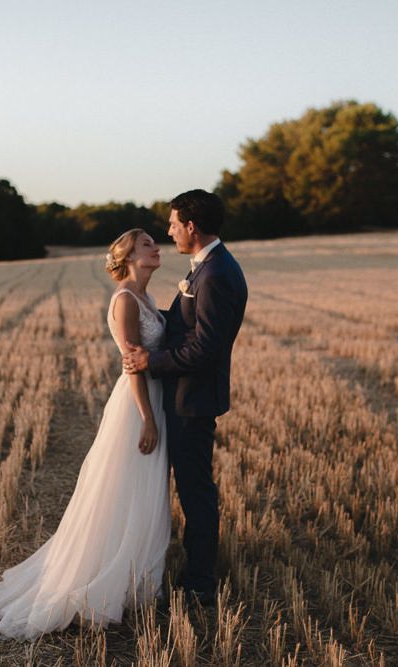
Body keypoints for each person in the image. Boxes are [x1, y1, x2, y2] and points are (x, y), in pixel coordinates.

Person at [0, 228, 171, 640]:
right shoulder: (125, 301)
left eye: (155, 242)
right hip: (137, 404)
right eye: (146, 244)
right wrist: (147, 418)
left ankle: (133, 576)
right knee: (123, 487)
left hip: (153, 399)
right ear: (126, 256)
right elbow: (132, 364)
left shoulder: (147, 299)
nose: (156, 248)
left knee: (143, 490)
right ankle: (100, 577)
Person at [123, 189, 247, 606]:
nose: (169, 231)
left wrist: (151, 362)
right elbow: (187, 331)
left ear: (191, 227)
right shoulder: (206, 268)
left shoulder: (215, 274)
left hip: (192, 400)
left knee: (195, 491)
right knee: (193, 487)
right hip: (183, 397)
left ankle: (199, 582)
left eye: (174, 224)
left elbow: (206, 349)